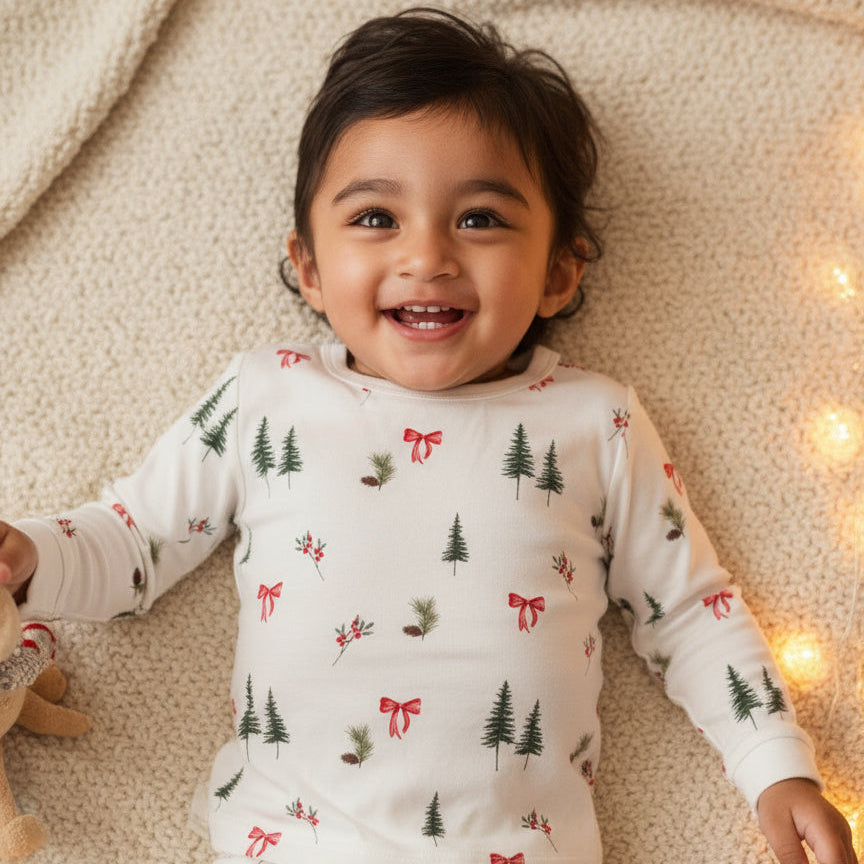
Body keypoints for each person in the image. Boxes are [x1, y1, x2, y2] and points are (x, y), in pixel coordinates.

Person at [0, 8, 857, 864]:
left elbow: (692, 612)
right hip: (292, 842)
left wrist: (775, 767)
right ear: (308, 266)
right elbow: (135, 539)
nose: (428, 256)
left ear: (560, 271)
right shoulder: (269, 397)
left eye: (480, 218)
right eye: (376, 218)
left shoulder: (596, 421)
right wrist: (30, 557)